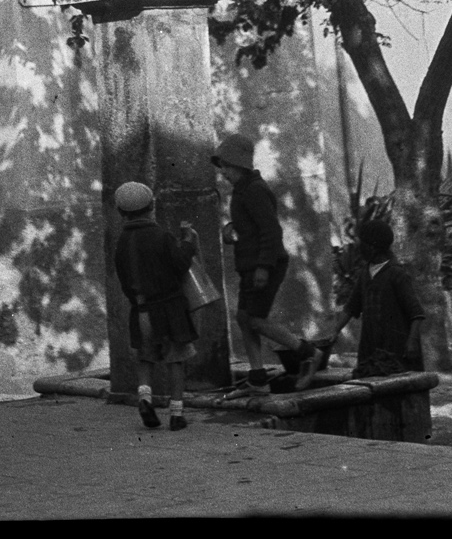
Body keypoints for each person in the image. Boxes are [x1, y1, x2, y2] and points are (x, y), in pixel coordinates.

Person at [211, 133, 324, 393]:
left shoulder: (254, 190)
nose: (223, 173)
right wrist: (231, 228)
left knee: (256, 320)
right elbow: (252, 224)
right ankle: (258, 377)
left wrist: (263, 267)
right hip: (251, 265)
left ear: (240, 164)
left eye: (226, 166)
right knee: (244, 317)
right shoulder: (242, 191)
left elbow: (271, 231)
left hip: (264, 265)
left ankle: (309, 353)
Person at [113, 181, 200, 431]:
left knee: (145, 359)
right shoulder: (162, 236)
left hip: (140, 309)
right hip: (170, 308)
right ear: (151, 207)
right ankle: (176, 414)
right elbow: (180, 264)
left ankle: (144, 399)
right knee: (176, 359)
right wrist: (188, 242)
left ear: (121, 212)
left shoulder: (122, 242)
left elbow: (123, 277)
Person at [329, 220, 425, 377]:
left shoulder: (396, 273)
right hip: (371, 346)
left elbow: (416, 314)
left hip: (396, 348)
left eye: (361, 242)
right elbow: (351, 307)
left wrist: (412, 342)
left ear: (372, 246)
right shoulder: (365, 273)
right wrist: (334, 331)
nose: (358, 247)